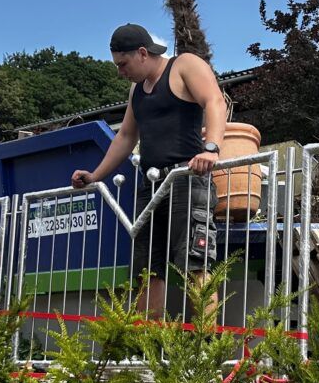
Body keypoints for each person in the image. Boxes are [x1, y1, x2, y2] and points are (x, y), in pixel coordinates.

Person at [71, 23, 225, 318]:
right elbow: (127, 136)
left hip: (187, 178)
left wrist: (211, 148)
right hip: (152, 184)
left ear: (142, 53)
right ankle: (145, 349)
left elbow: (214, 101)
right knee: (147, 269)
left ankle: (207, 349)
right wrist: (95, 175)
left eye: (123, 64)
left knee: (195, 262)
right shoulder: (136, 90)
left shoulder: (185, 65)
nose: (120, 72)